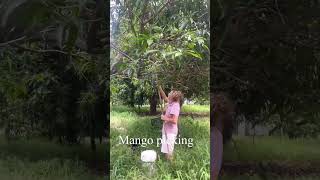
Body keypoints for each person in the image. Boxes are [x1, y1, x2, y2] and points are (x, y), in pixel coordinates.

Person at [158, 85, 183, 161]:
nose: (169, 93)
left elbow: (174, 120)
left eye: (171, 93)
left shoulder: (175, 105)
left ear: (173, 97)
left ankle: (171, 167)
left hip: (171, 132)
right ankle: (167, 163)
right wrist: (160, 88)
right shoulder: (170, 102)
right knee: (166, 149)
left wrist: (164, 118)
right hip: (166, 130)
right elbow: (164, 97)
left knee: (169, 151)